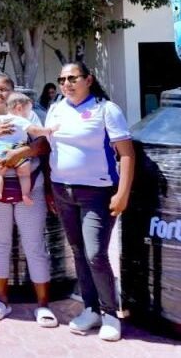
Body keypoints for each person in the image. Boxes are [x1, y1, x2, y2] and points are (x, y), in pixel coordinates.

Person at [43, 62, 134, 341]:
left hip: (98, 192)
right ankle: (91, 309)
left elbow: (127, 154)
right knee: (78, 252)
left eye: (73, 78)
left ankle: (110, 313)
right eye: (62, 80)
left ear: (88, 80)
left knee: (95, 253)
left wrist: (123, 193)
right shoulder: (56, 108)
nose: (67, 84)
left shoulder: (106, 109)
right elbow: (48, 146)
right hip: (63, 191)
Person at [0, 74, 56, 327]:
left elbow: (44, 145)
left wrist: (22, 152)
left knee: (34, 244)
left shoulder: (27, 112)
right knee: (0, 243)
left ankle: (43, 305)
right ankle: (1, 300)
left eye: (4, 89)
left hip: (30, 187)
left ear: (12, 91)